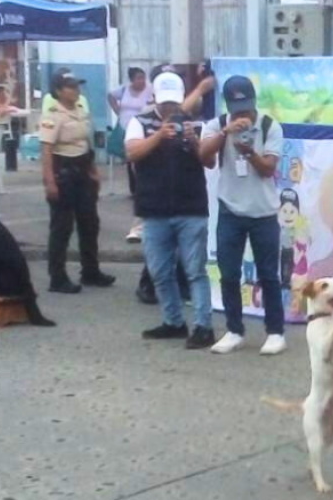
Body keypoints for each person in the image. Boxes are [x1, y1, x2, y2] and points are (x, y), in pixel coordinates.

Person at [125, 70, 215, 349]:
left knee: (195, 271)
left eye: (173, 105)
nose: (170, 110)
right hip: (154, 211)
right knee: (160, 271)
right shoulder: (139, 123)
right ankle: (173, 321)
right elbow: (132, 153)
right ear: (155, 100)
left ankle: (203, 327)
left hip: (191, 209)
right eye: (165, 105)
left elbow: (208, 162)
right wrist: (159, 137)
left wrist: (193, 140)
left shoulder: (195, 125)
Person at [200, 75, 287, 356]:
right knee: (228, 273)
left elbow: (268, 170)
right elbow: (204, 158)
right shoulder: (216, 125)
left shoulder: (270, 126)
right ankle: (234, 330)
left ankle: (275, 332)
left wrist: (249, 152)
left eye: (247, 107)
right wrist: (226, 132)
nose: (243, 114)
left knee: (268, 275)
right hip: (230, 209)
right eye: (237, 108)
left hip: (263, 212)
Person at [39, 68, 115, 294]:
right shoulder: (52, 115)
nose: (76, 90)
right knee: (62, 227)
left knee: (89, 223)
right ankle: (57, 276)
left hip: (82, 170)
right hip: (63, 172)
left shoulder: (81, 108)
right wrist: (49, 181)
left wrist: (93, 170)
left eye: (77, 86)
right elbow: (46, 150)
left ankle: (90, 271)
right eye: (71, 87)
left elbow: (85, 143)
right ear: (59, 91)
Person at [109, 67, 154, 243]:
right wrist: (117, 111)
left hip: (145, 133)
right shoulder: (123, 90)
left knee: (138, 164)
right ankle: (134, 190)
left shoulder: (150, 90)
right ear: (131, 79)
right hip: (126, 129)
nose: (141, 81)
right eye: (138, 78)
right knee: (131, 161)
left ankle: (138, 192)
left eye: (143, 78)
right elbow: (111, 96)